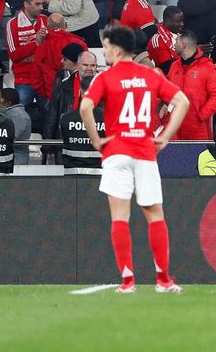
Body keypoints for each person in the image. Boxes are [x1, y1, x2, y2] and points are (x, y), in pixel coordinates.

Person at [79, 26, 191, 294]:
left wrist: (96, 140)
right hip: (144, 151)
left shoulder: (106, 77)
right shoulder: (150, 74)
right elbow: (183, 102)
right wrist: (165, 137)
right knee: (155, 215)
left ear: (117, 50)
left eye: (106, 48)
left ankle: (128, 281)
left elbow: (85, 107)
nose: (104, 52)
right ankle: (163, 280)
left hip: (117, 151)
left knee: (120, 216)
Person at [168, 30, 216, 140]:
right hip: (175, 127)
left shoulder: (207, 67)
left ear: (183, 45)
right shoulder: (174, 66)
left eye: (176, 41)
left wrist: (201, 116)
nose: (174, 44)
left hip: (198, 130)